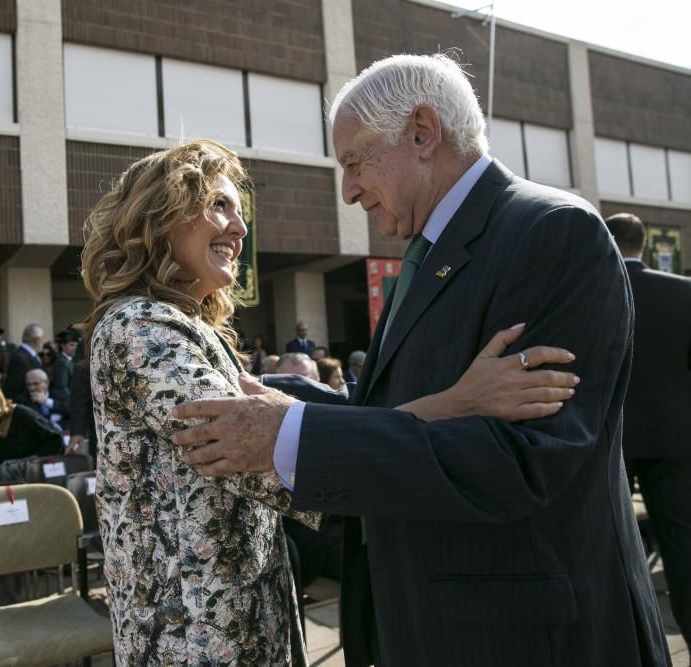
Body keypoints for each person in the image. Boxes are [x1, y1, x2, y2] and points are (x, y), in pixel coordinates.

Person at [172, 54, 669, 667]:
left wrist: (293, 434)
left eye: (355, 161)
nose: (349, 189)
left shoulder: (552, 232)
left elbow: (521, 460)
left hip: (526, 639)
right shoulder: (432, 250)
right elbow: (392, 412)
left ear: (423, 133)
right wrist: (285, 404)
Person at [79, 139, 573, 664]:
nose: (240, 229)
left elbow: (296, 435)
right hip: (188, 638)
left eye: (238, 210)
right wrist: (458, 403)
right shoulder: (139, 328)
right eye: (218, 205)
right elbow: (273, 450)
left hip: (238, 623)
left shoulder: (188, 328)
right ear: (158, 217)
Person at [607, 212, 691, 651]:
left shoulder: (594, 290)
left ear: (608, 240)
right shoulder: (684, 292)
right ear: (641, 243)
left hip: (611, 440)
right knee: (684, 547)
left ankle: (629, 648)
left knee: (613, 550)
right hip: (676, 439)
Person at [0, 378, 63, 477]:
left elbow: (56, 438)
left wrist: (34, 461)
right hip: (10, 481)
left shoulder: (22, 414)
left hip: (39, 476)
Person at [18, 368, 69, 433]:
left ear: (46, 383)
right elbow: (32, 421)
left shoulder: (60, 395)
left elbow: (71, 411)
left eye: (36, 384)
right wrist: (52, 418)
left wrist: (46, 401)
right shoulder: (22, 400)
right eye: (29, 385)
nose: (32, 388)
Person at [2, 323, 44, 401]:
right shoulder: (20, 358)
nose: (43, 342)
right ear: (37, 340)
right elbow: (15, 388)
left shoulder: (28, 355)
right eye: (42, 338)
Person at [50, 329, 79, 402]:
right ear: (63, 346)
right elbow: (62, 387)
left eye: (76, 345)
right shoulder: (61, 363)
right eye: (71, 345)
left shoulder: (70, 360)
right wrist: (73, 401)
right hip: (66, 401)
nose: (75, 348)